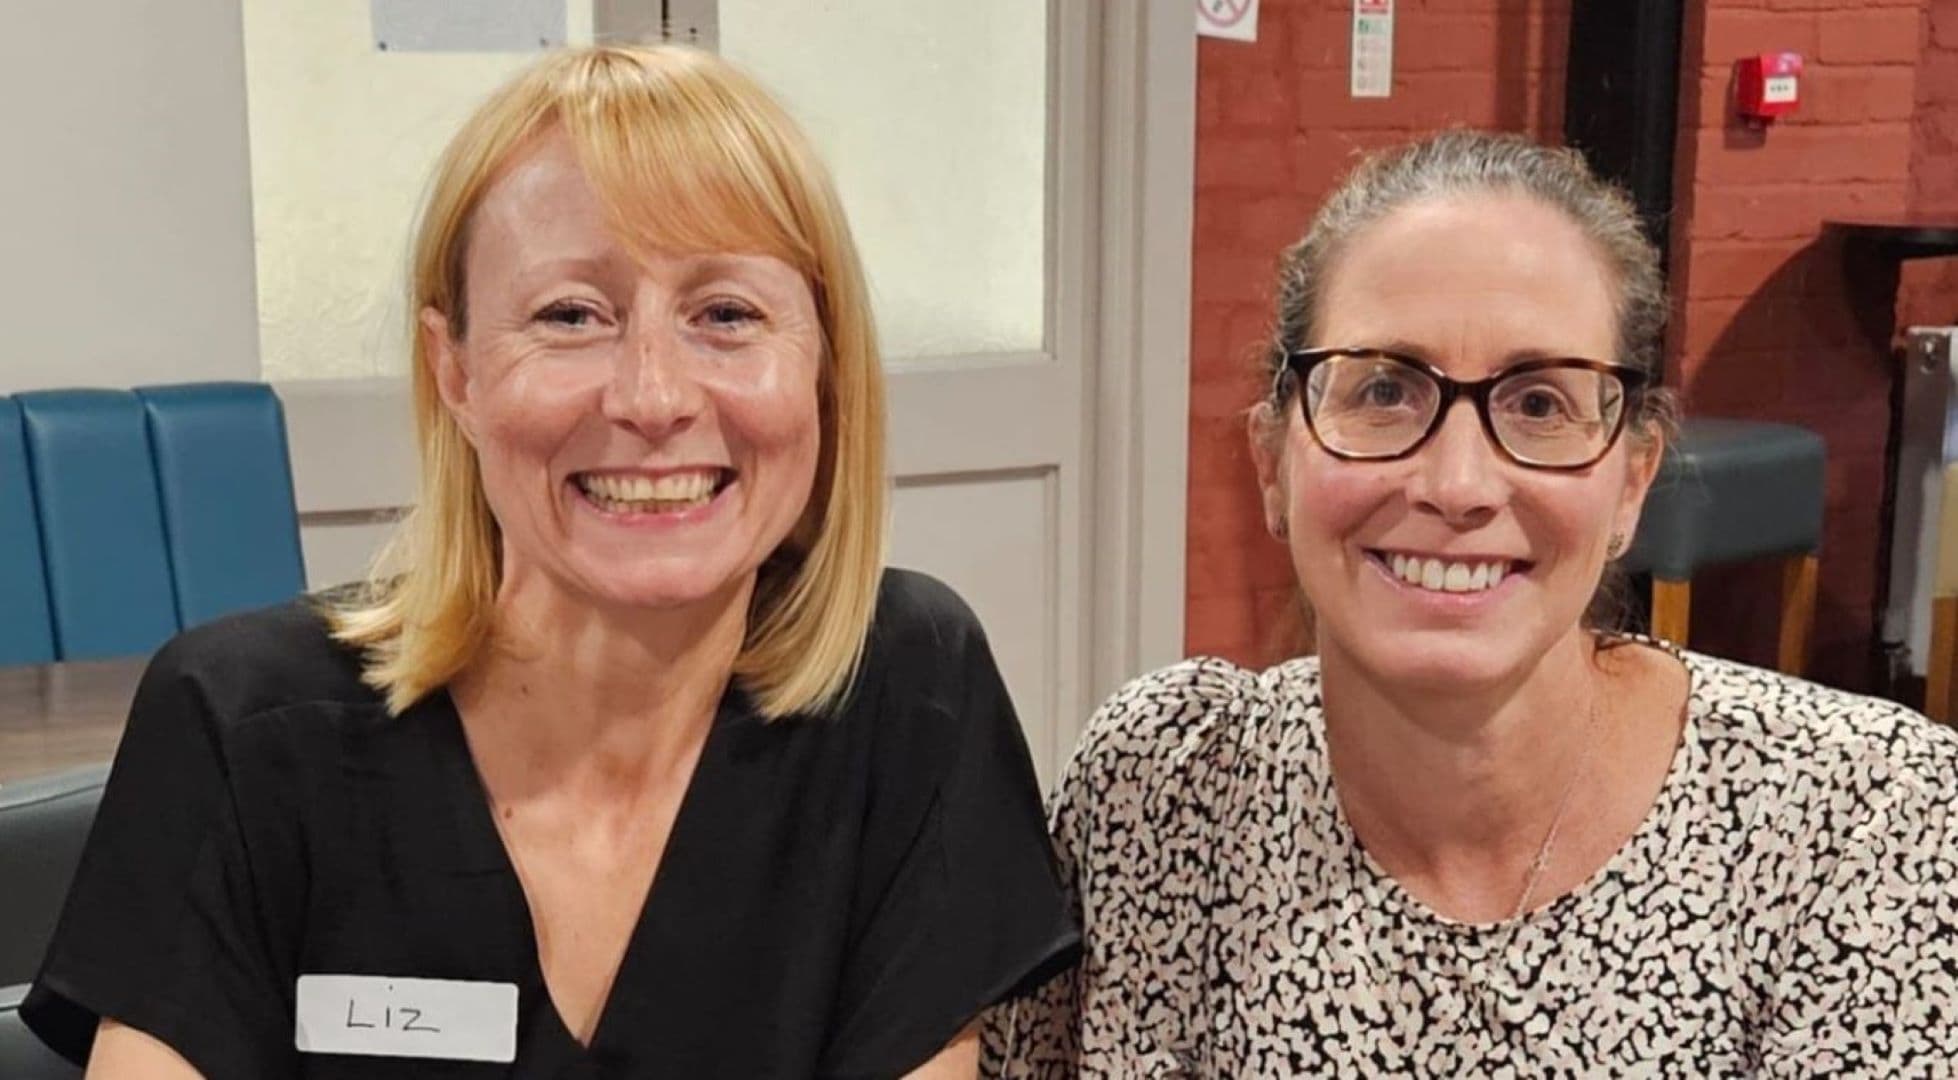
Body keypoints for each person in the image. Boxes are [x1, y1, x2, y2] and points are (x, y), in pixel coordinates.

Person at [25, 44, 1077, 1078]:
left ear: (824, 370)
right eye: (570, 315)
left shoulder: (904, 696)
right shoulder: (236, 726)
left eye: (726, 315)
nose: (653, 397)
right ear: (455, 372)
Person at [985, 130, 1958, 1075]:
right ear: (1271, 462)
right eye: (1381, 391)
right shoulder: (1160, 792)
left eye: (1537, 403)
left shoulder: (1859, 824)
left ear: (1629, 482)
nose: (1456, 484)